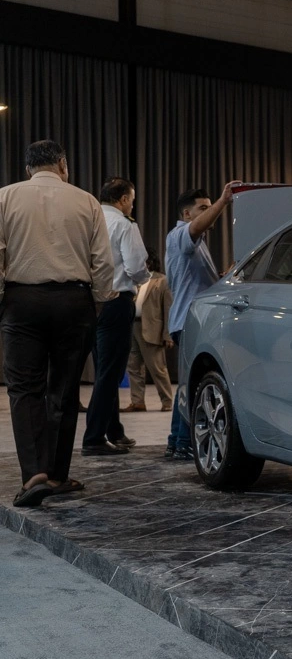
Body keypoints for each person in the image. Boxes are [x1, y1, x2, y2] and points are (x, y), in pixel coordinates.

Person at [0, 140, 115, 507]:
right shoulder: (87, 201)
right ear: (63, 165)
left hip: (21, 301)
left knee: (24, 389)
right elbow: (103, 261)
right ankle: (57, 476)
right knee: (64, 391)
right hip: (74, 301)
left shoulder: (5, 197)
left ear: (28, 168)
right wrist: (97, 302)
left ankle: (34, 474)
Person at [164, 181, 239, 460]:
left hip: (192, 321)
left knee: (188, 383)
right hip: (188, 321)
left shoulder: (197, 244)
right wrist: (223, 201)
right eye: (203, 208)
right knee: (191, 384)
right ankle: (183, 442)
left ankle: (178, 442)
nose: (209, 213)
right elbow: (195, 228)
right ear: (187, 214)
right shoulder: (180, 234)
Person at [82, 177, 150, 456]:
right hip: (116, 302)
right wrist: (143, 279)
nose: (132, 205)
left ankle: (114, 431)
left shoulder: (88, 220)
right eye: (131, 200)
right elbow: (135, 267)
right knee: (111, 373)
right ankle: (94, 438)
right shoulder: (124, 224)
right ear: (123, 200)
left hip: (89, 303)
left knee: (104, 370)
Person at [123, 251, 174, 413]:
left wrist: (167, 334)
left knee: (157, 368)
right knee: (134, 368)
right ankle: (137, 402)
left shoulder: (162, 280)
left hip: (152, 329)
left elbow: (168, 309)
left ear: (149, 262)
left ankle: (167, 401)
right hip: (133, 326)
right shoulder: (134, 279)